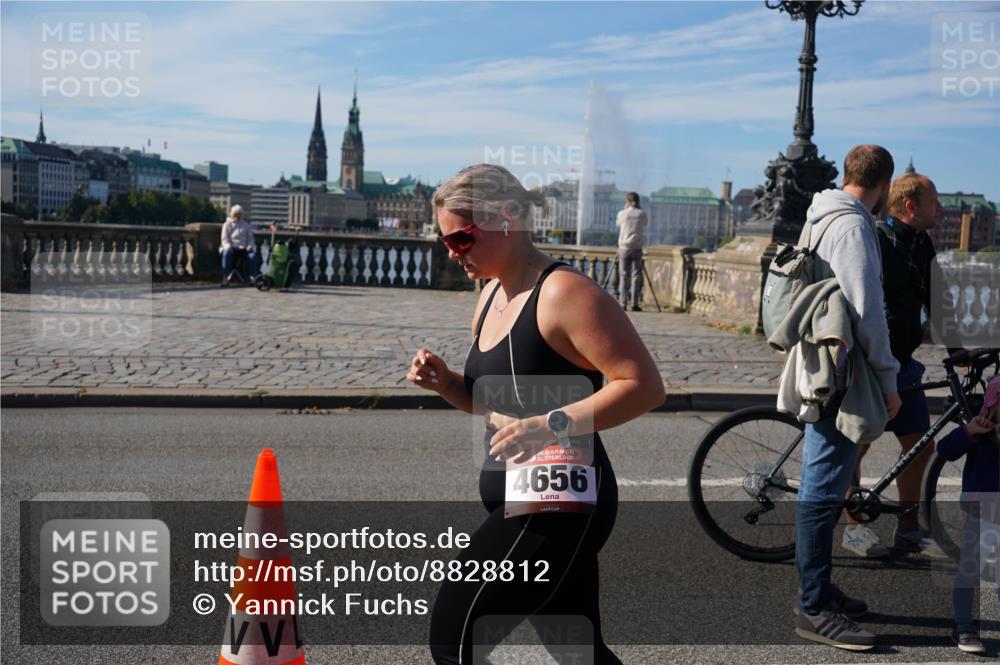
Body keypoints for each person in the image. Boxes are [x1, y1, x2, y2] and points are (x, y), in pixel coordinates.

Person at [408, 164, 665, 665]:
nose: (453, 253)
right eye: (445, 243)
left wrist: (550, 424)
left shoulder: (565, 293)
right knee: (579, 652)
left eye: (461, 239)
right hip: (515, 495)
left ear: (506, 219)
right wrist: (448, 384)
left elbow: (644, 387)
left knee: (454, 638)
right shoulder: (487, 295)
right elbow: (494, 406)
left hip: (558, 503)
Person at [791, 145, 902, 650]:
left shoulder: (818, 216)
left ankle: (822, 590)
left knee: (828, 481)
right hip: (843, 369)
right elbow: (867, 309)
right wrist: (888, 378)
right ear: (883, 184)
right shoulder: (855, 227)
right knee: (822, 488)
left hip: (821, 359)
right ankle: (814, 608)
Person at [841, 172, 951, 559]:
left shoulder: (921, 242)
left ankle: (908, 529)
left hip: (904, 363)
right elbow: (867, 304)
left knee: (920, 444)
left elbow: (937, 300)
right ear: (910, 206)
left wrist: (959, 351)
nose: (940, 209)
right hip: (872, 365)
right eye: (934, 202)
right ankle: (854, 529)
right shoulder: (877, 240)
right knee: (858, 443)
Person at [935, 376, 1000, 655]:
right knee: (969, 570)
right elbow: (945, 450)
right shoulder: (980, 433)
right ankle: (963, 625)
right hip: (979, 509)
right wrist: (968, 431)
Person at [615, 192, 648, 311]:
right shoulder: (642, 214)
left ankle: (623, 303)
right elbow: (645, 223)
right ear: (638, 202)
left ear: (627, 202)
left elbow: (618, 224)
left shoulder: (622, 214)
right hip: (637, 248)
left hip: (624, 248)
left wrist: (626, 209)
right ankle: (634, 303)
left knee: (624, 275)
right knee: (635, 276)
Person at [220, 205, 259, 285]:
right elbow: (224, 239)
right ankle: (225, 277)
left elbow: (250, 239)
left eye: (239, 214)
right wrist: (228, 247)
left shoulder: (246, 225)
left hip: (244, 249)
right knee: (226, 255)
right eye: (236, 214)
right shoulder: (227, 225)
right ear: (232, 214)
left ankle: (253, 277)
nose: (237, 216)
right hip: (231, 249)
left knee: (253, 256)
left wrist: (250, 246)